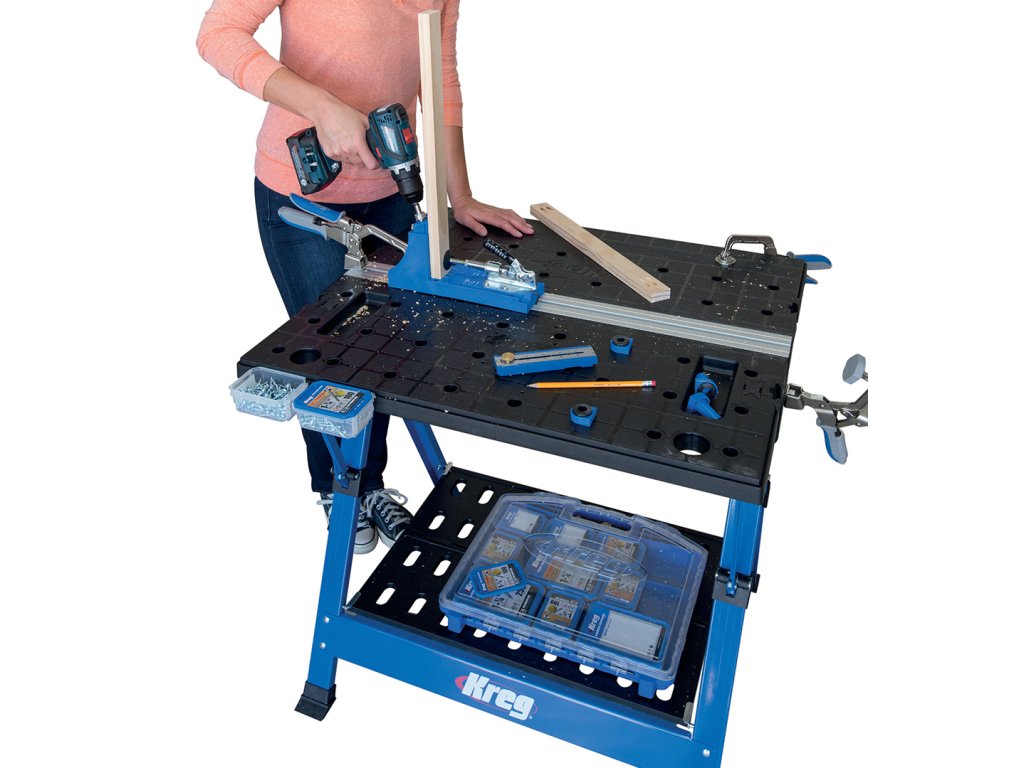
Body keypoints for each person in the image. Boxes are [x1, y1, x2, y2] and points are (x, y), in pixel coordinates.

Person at [197, 0, 532, 553]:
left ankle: (368, 485)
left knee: (385, 349)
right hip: (302, 196)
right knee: (330, 355)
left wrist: (461, 195)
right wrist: (322, 106)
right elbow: (218, 33)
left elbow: (440, 80)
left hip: (391, 190)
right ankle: (340, 489)